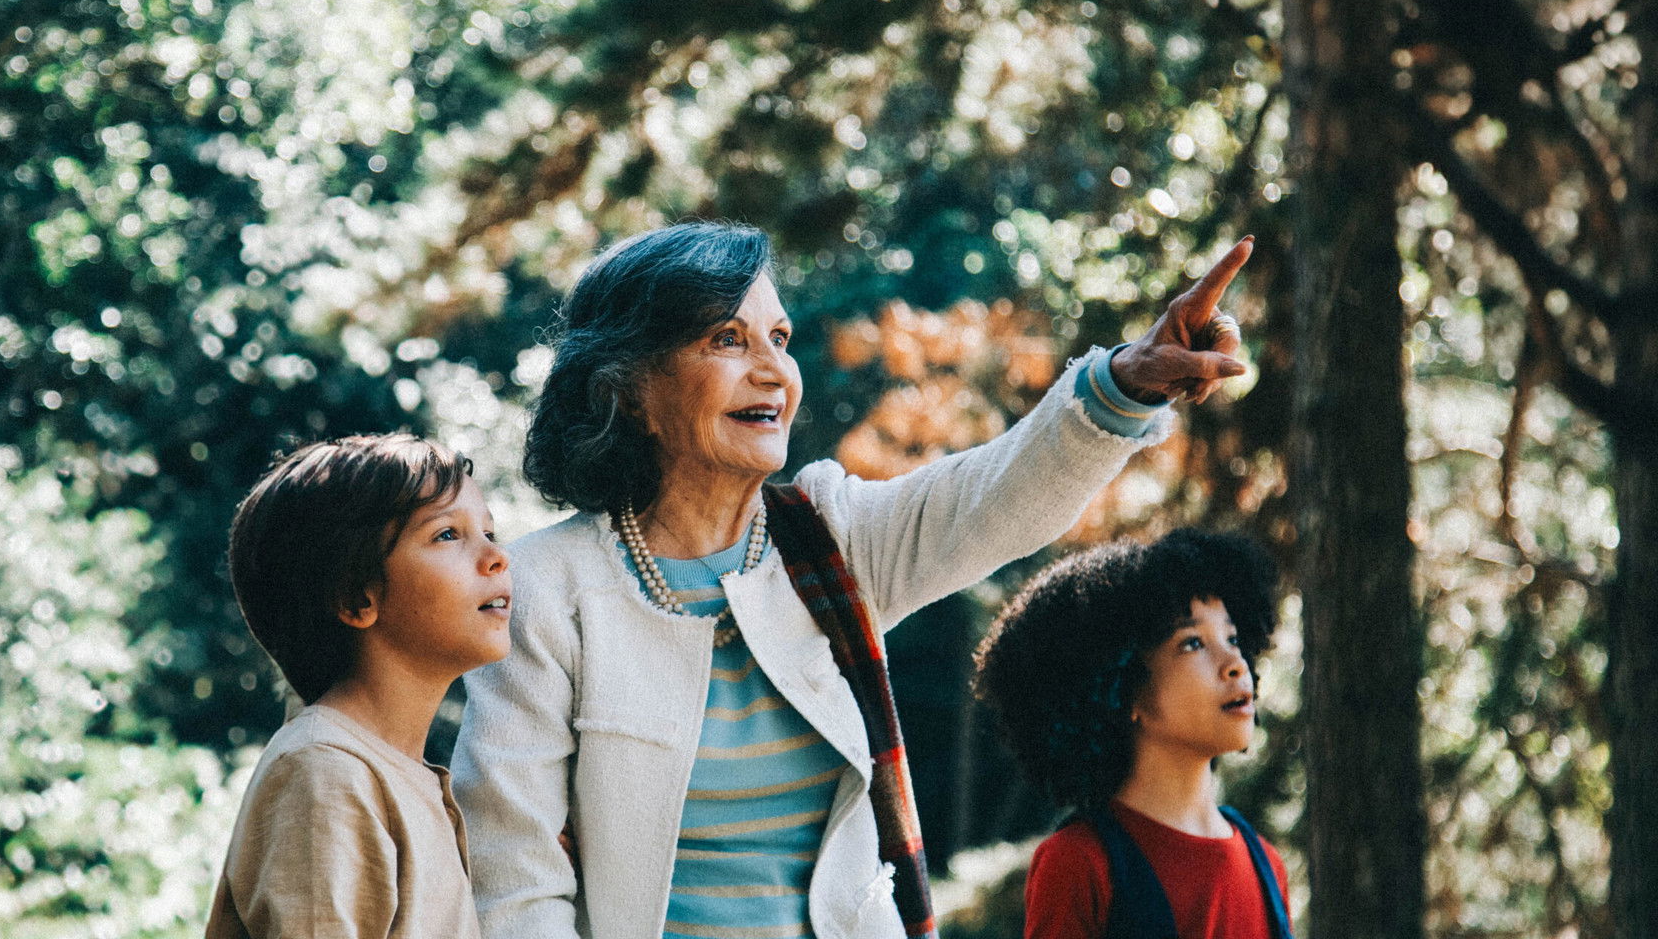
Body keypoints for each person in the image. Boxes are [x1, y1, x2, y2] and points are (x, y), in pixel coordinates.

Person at [451, 222, 1252, 939]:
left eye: (779, 338)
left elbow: (995, 497)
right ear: (627, 389)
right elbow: (516, 879)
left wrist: (1127, 382)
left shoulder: (827, 540)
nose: (773, 370)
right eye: (727, 340)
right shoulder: (545, 589)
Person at [206, 433, 511, 939]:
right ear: (356, 599)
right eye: (447, 535)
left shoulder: (399, 776)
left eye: (489, 531)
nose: (497, 556)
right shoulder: (324, 772)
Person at [972, 529, 1291, 939]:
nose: (1235, 663)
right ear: (1122, 689)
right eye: (1193, 643)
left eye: (1232, 638)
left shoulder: (1267, 866)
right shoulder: (1081, 864)